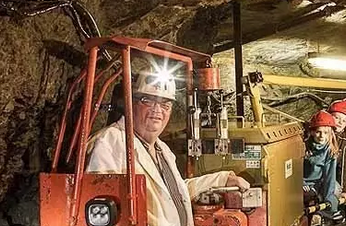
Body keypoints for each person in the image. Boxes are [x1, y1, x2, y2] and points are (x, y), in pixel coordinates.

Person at [87, 70, 250, 226]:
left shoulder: (161, 149)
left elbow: (175, 195)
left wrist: (222, 179)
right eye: (148, 100)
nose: (157, 110)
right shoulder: (108, 143)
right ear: (131, 103)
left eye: (165, 104)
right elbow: (102, 211)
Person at [303, 110, 346, 220]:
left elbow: (329, 176)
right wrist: (301, 183)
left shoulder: (330, 151)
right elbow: (295, 169)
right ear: (312, 132)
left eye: (326, 133)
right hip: (303, 182)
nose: (322, 136)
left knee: (335, 188)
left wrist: (330, 200)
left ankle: (324, 213)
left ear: (331, 133)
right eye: (318, 132)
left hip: (318, 183)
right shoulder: (304, 147)